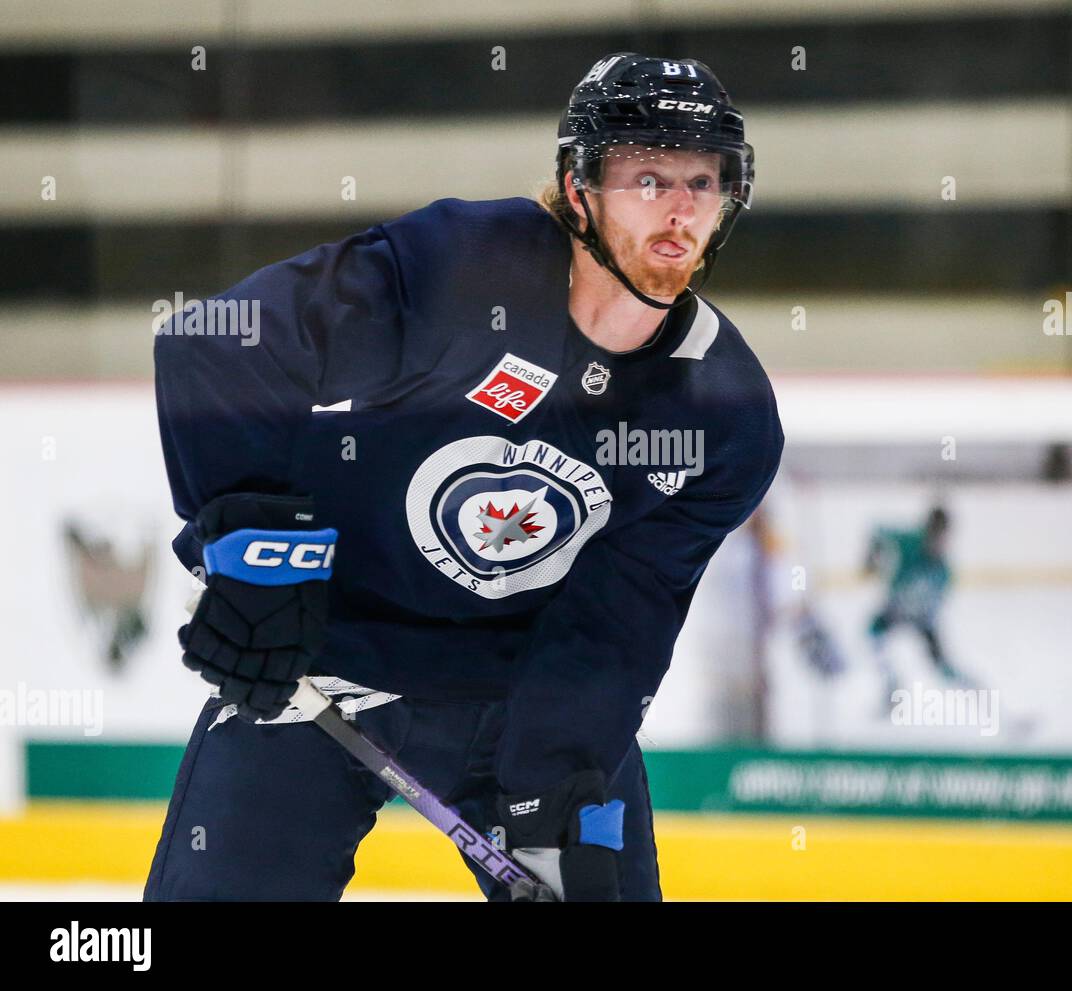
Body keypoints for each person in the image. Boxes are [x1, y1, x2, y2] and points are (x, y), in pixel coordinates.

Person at [143, 52, 783, 902]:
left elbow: (617, 622)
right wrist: (261, 561)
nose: (679, 207)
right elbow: (220, 346)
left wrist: (555, 789)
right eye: (648, 177)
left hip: (519, 699)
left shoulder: (723, 416)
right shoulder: (474, 272)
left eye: (703, 180)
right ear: (579, 185)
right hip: (321, 669)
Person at [865, 507, 975, 715]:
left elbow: (938, 602)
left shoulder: (943, 569)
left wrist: (926, 621)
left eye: (944, 537)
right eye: (936, 536)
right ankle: (891, 687)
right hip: (895, 611)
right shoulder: (909, 542)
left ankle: (979, 696)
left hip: (922, 618)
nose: (940, 543)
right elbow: (877, 530)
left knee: (944, 669)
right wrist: (871, 557)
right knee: (874, 637)